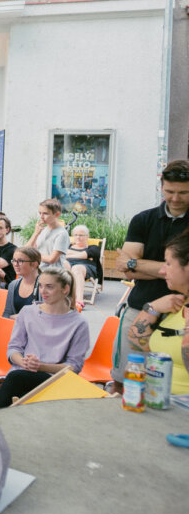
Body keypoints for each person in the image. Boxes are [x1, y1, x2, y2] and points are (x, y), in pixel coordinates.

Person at [116, 159, 189, 387]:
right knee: (127, 381)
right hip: (142, 308)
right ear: (161, 186)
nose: (175, 198)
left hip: (180, 313)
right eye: (170, 191)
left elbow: (130, 264)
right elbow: (125, 271)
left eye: (183, 193)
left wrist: (136, 264)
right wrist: (172, 270)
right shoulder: (143, 219)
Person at [0, 267, 90, 409]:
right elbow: (14, 349)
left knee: (16, 379)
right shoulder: (27, 312)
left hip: (53, 377)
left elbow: (73, 367)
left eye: (49, 287)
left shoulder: (79, 322)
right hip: (22, 372)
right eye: (41, 286)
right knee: (17, 377)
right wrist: (24, 362)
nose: (43, 291)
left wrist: (40, 367)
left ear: (65, 289)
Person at [124, 229, 189, 396]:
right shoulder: (179, 304)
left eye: (168, 263)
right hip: (159, 401)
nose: (162, 271)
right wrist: (153, 308)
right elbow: (137, 342)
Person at [66, 224, 102, 309]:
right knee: (63, 264)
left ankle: (79, 300)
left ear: (87, 236)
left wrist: (68, 254)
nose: (78, 237)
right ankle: (63, 298)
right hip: (68, 266)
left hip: (86, 268)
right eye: (76, 235)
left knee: (77, 268)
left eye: (81, 235)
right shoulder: (67, 246)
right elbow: (61, 254)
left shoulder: (93, 247)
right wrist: (82, 255)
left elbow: (85, 255)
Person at [26, 198, 70, 268]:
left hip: (52, 274)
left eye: (45, 213)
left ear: (57, 214)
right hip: (37, 271)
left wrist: (33, 256)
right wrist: (35, 233)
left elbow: (52, 259)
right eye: (40, 213)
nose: (41, 217)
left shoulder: (61, 233)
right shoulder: (42, 230)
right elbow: (26, 250)